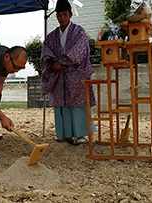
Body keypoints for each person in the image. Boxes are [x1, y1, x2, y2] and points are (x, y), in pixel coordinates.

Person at [41, 0, 96, 145]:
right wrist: (53, 64)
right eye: (59, 15)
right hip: (58, 75)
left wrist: (63, 62)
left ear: (70, 15)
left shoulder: (79, 32)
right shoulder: (52, 36)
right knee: (61, 105)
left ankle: (80, 134)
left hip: (77, 74)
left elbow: (80, 51)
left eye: (64, 14)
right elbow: (46, 51)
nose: (62, 17)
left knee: (77, 104)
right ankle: (63, 134)